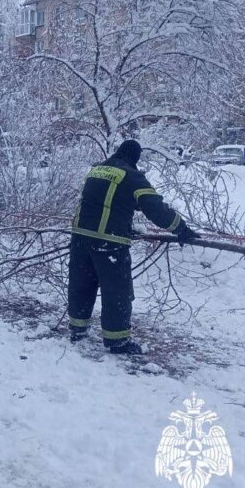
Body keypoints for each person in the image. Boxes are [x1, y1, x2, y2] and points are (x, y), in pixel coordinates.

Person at [67, 140, 199, 354]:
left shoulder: (97, 170)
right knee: (116, 291)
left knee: (81, 285)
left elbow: (105, 200)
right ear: (135, 158)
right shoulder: (131, 176)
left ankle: (77, 329)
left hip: (80, 237)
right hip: (109, 242)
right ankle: (117, 341)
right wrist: (180, 228)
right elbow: (154, 207)